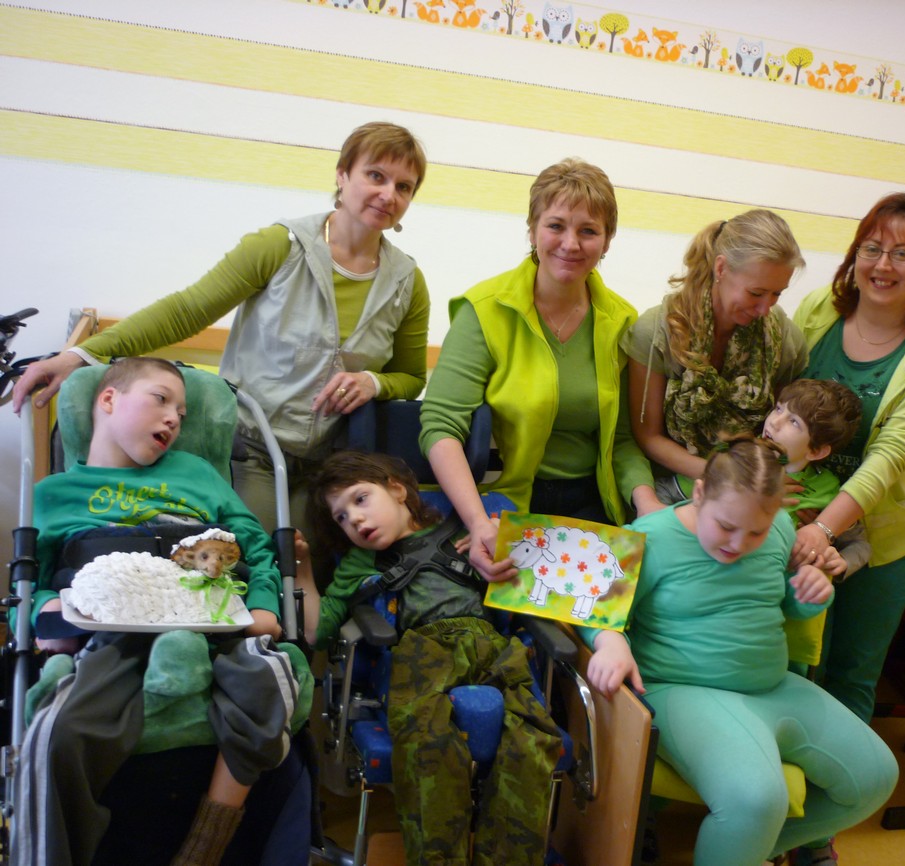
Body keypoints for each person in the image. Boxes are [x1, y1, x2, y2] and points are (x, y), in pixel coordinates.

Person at [12, 121, 431, 539]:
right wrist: (82, 354)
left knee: (309, 567)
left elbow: (411, 377)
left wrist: (374, 381)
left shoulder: (407, 282)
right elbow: (187, 310)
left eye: (404, 187)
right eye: (375, 175)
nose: (388, 195)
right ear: (342, 175)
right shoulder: (281, 246)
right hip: (251, 447)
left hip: (333, 463)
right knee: (256, 553)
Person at [19, 357, 299, 866]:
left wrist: (262, 603)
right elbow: (29, 579)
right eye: (161, 399)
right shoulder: (51, 495)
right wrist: (46, 609)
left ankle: (203, 849)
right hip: (109, 626)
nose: (174, 418)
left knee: (271, 684)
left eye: (183, 413)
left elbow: (257, 547)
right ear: (108, 399)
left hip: (211, 614)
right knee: (57, 733)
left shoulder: (197, 474)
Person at [581, 437, 898, 866]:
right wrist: (610, 640)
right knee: (756, 800)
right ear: (699, 493)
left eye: (755, 532)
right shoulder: (651, 537)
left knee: (876, 778)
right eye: (726, 525)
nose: (738, 543)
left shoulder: (780, 528)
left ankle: (751, 852)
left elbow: (783, 603)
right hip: (682, 688)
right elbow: (593, 608)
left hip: (772, 686)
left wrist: (810, 593)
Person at [294, 450, 563, 866]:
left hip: (492, 643)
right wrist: (304, 570)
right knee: (428, 745)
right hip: (421, 650)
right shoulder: (360, 562)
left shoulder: (469, 526)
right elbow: (318, 631)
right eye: (341, 517)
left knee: (531, 741)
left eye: (360, 499)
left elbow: (549, 572)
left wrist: (505, 538)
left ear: (398, 490)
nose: (355, 520)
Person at [419, 158, 659, 582]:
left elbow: (622, 440)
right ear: (532, 230)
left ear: (607, 241)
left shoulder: (621, 321)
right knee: (518, 614)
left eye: (589, 231)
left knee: (609, 612)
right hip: (500, 505)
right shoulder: (485, 310)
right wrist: (478, 522)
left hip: (591, 503)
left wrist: (647, 504)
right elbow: (440, 427)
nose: (571, 243)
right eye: (556, 226)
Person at [790, 192, 905, 733]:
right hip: (803, 517)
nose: (883, 265)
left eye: (903, 253)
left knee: (850, 673)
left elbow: (890, 455)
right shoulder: (819, 310)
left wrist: (824, 528)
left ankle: (840, 781)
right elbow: (781, 407)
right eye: (872, 248)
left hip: (884, 535)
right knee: (796, 662)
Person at [625, 208, 810, 504]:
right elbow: (648, 437)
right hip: (670, 488)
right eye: (756, 293)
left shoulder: (784, 341)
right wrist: (727, 475)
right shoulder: (658, 332)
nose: (766, 309)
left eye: (777, 294)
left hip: (748, 491)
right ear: (721, 268)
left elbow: (784, 434)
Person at [761, 377, 870, 579]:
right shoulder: (737, 459)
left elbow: (861, 545)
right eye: (778, 409)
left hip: (784, 591)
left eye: (794, 422)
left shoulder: (828, 488)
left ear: (816, 451)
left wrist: (841, 561)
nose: (774, 422)